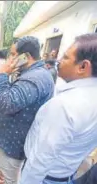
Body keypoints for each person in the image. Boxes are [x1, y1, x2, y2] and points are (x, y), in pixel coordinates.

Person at [20, 33, 97, 184]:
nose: (59, 61)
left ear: (83, 66)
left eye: (66, 57)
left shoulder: (65, 106)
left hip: (43, 178)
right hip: (65, 175)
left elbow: (41, 159)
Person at [0, 36, 54, 184]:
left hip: (12, 143)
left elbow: (6, 104)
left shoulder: (34, 78)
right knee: (2, 176)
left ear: (26, 56)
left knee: (4, 179)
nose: (10, 58)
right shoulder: (32, 74)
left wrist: (3, 75)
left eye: (13, 54)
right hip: (11, 140)